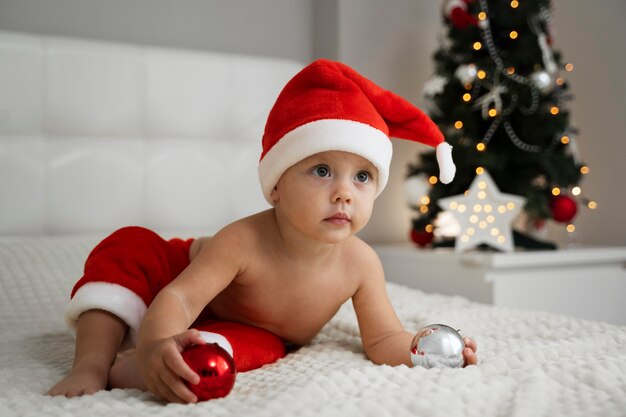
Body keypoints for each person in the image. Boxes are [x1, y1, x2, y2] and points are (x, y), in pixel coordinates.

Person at [47, 59, 477, 403]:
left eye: (362, 177)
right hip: (174, 273)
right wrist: (156, 340)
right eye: (322, 170)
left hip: (255, 328)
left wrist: (427, 351)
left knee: (225, 359)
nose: (344, 192)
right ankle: (91, 362)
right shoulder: (243, 241)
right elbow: (179, 296)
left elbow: (383, 339)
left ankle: (152, 367)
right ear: (276, 186)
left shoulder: (361, 263)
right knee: (128, 253)